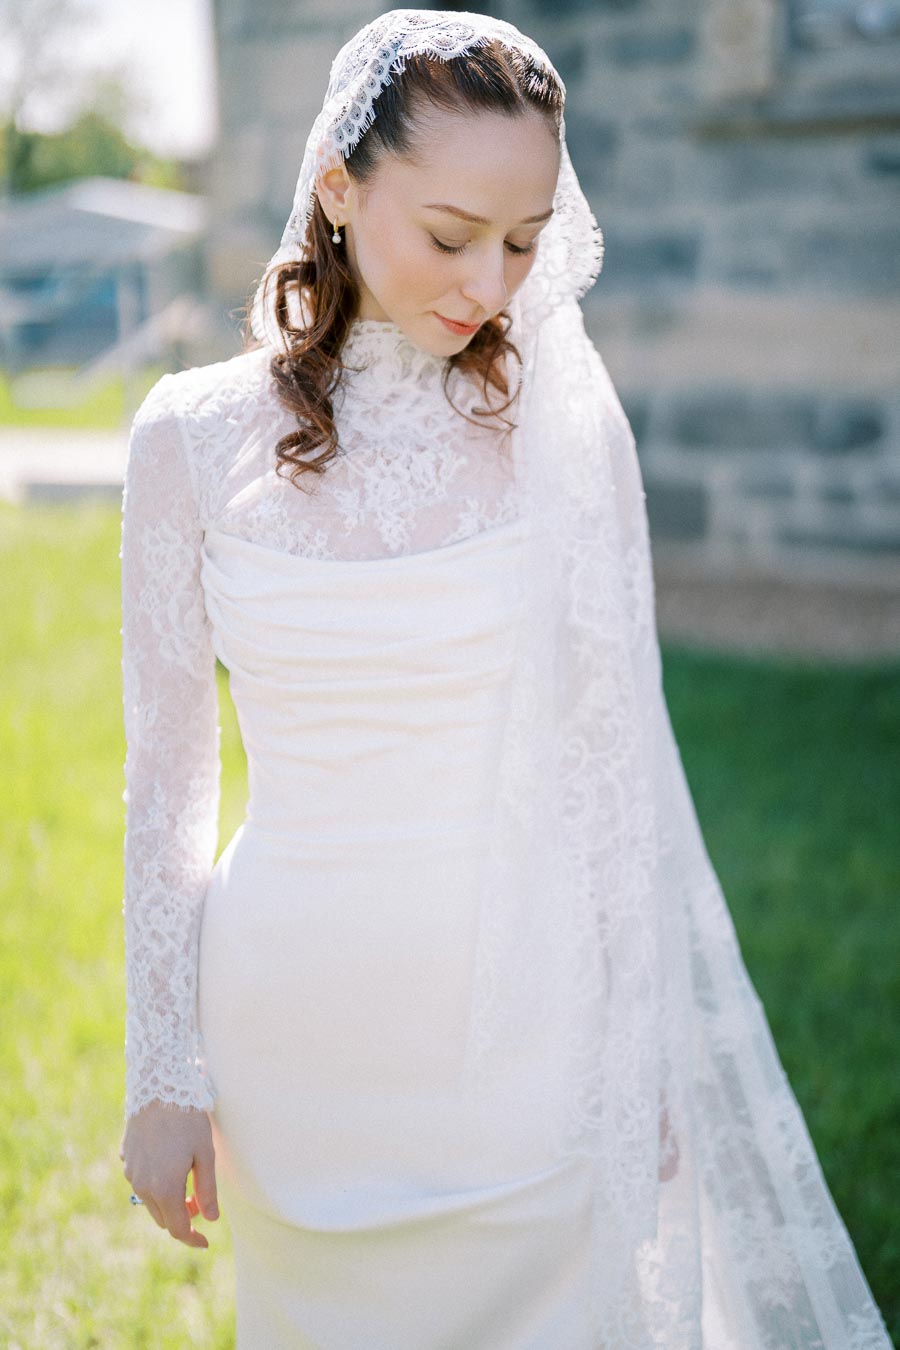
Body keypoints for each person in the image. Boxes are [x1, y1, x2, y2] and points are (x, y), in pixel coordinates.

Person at [118, 10, 892, 1348]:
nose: (492, 279)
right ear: (341, 188)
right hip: (301, 1038)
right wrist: (164, 1066)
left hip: (523, 1034)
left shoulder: (560, 428)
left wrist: (637, 1041)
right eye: (453, 232)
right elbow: (169, 772)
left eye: (526, 241)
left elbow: (609, 762)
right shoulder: (188, 436)